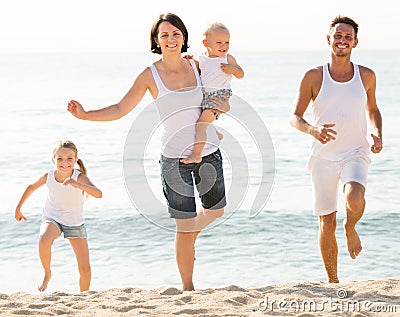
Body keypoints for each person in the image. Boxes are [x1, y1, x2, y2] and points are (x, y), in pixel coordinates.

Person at [67, 13, 227, 291]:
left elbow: (221, 90)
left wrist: (220, 108)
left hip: (209, 152)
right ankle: (188, 288)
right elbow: (119, 109)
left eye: (175, 33)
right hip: (174, 159)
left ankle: (191, 236)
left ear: (184, 37)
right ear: (156, 41)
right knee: (183, 226)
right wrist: (85, 115)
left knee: (216, 211)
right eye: (164, 35)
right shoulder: (149, 75)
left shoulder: (199, 66)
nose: (171, 39)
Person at [289, 16, 383, 283]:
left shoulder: (366, 75)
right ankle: (333, 281)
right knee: (326, 222)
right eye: (338, 35)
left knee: (354, 196)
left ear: (355, 42)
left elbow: (373, 109)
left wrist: (376, 132)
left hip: (355, 151)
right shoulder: (313, 76)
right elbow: (295, 116)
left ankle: (351, 226)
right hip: (323, 156)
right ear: (329, 39)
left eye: (348, 36)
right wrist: (313, 130)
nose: (342, 40)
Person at [15, 140, 102, 292]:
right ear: (53, 160)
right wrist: (18, 209)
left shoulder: (79, 177)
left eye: (69, 159)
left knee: (85, 270)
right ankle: (47, 273)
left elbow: (98, 194)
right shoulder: (48, 176)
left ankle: (84, 297)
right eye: (60, 158)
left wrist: (77, 185)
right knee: (43, 239)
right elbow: (31, 187)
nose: (64, 162)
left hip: (74, 223)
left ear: (75, 160)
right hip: (52, 218)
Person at [180, 22, 244, 164]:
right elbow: (201, 70)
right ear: (206, 43)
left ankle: (197, 154)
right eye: (219, 42)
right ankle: (216, 135)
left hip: (219, 97)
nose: (224, 46)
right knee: (200, 117)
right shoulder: (203, 58)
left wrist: (233, 70)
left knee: (201, 124)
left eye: (227, 42)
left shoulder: (227, 59)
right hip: (205, 96)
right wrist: (190, 60)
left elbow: (241, 74)